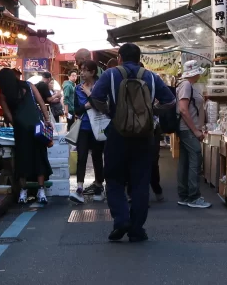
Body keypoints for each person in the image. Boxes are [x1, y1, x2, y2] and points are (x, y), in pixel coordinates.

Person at [89, 43, 175, 242]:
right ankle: (136, 229)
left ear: (119, 57)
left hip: (118, 134)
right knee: (140, 181)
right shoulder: (151, 77)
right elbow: (170, 101)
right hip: (144, 136)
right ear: (139, 58)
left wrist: (111, 112)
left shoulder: (110, 74)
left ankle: (121, 220)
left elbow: (96, 98)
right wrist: (150, 112)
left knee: (114, 178)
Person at [0, 68, 53, 206]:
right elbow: (41, 102)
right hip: (36, 127)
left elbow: (8, 115)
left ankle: (23, 191)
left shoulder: (4, 95)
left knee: (22, 159)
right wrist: (46, 119)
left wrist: (17, 123)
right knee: (39, 156)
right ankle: (41, 191)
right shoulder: (28, 85)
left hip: (21, 130)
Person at [176, 60, 211, 208]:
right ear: (194, 73)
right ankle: (193, 196)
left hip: (186, 129)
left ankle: (184, 195)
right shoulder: (186, 85)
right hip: (188, 129)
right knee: (195, 159)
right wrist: (196, 131)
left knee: (185, 161)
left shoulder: (186, 85)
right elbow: (183, 109)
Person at [70, 61, 104, 203]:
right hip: (83, 127)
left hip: (98, 127)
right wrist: (87, 106)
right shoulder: (77, 89)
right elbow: (76, 110)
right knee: (82, 157)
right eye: (81, 70)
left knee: (97, 157)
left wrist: (89, 94)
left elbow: (101, 105)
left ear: (93, 72)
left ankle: (99, 187)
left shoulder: (100, 86)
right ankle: (79, 189)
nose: (82, 73)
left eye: (85, 70)